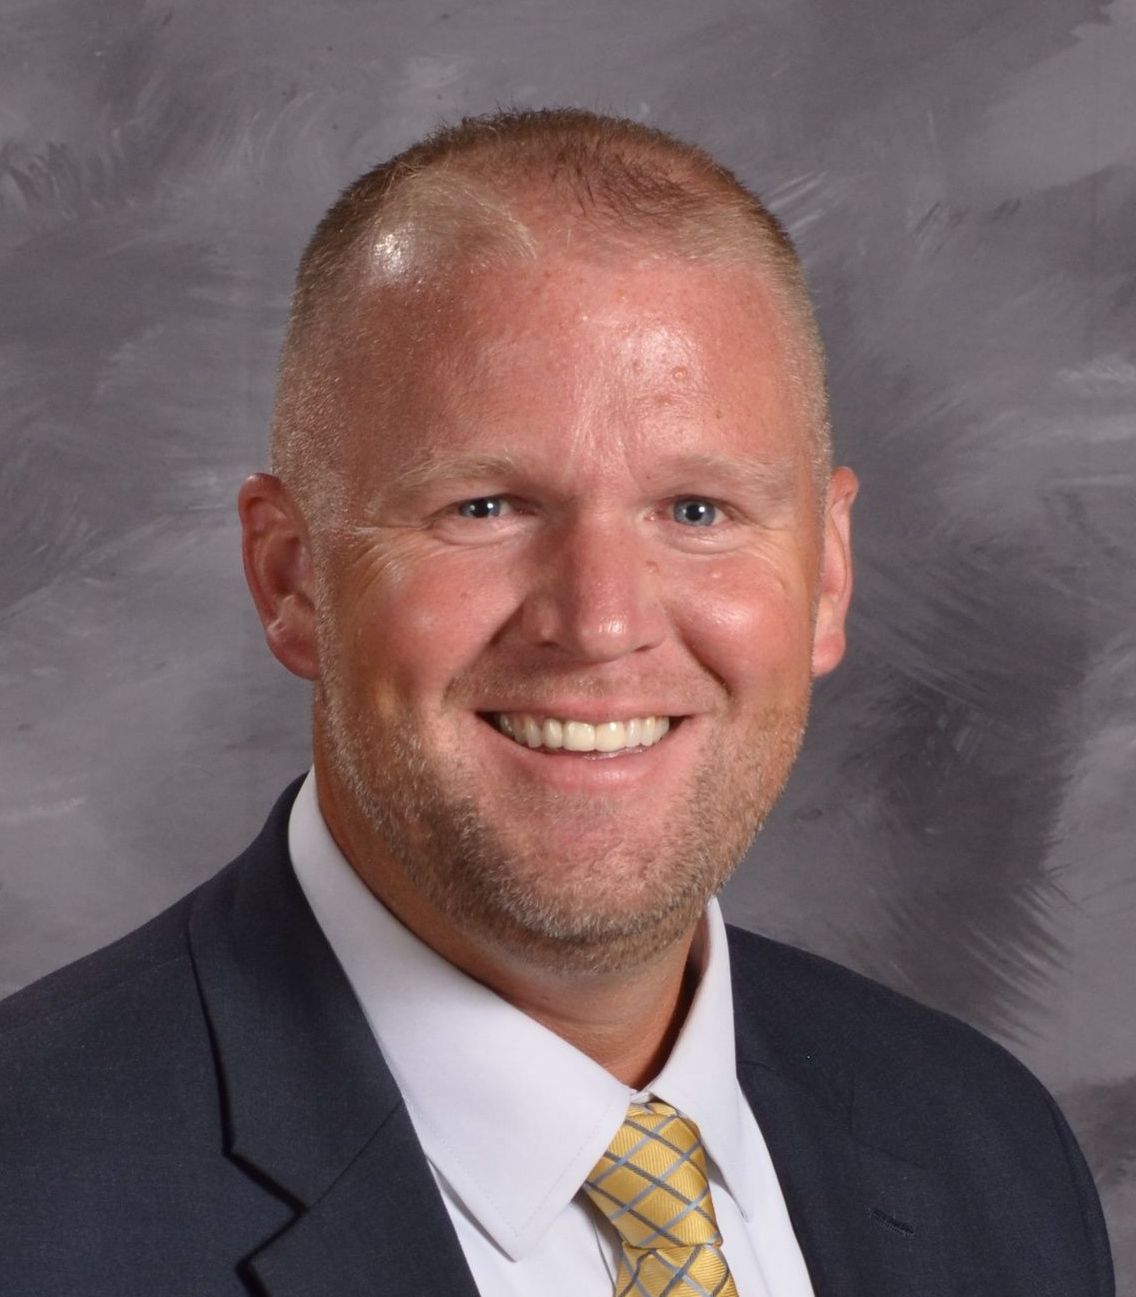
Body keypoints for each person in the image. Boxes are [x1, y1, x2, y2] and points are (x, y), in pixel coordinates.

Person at [0, 109, 1113, 1297]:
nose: (596, 621)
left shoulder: (984, 1152)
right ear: (293, 579)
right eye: (484, 506)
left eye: (695, 510)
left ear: (825, 574)